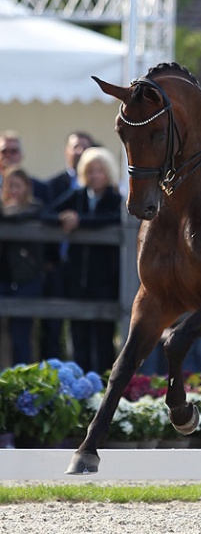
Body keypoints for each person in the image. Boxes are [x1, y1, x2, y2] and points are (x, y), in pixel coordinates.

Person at [42, 147, 121, 374]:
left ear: (108, 173)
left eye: (100, 171)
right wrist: (61, 217)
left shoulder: (115, 199)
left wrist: (80, 221)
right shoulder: (77, 195)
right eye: (91, 171)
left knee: (104, 339)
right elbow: (45, 213)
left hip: (106, 279)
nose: (96, 175)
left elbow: (114, 218)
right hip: (77, 279)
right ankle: (80, 386)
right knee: (79, 338)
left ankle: (105, 388)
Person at [0, 167, 45, 365]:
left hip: (26, 277)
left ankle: (23, 378)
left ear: (27, 188)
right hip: (4, 276)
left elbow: (19, 218)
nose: (13, 191)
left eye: (17, 186)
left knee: (21, 334)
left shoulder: (35, 209)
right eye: (9, 186)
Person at [0, 130, 49, 204]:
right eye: (4, 151)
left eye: (13, 151)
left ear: (21, 156)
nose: (8, 155)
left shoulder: (39, 188)